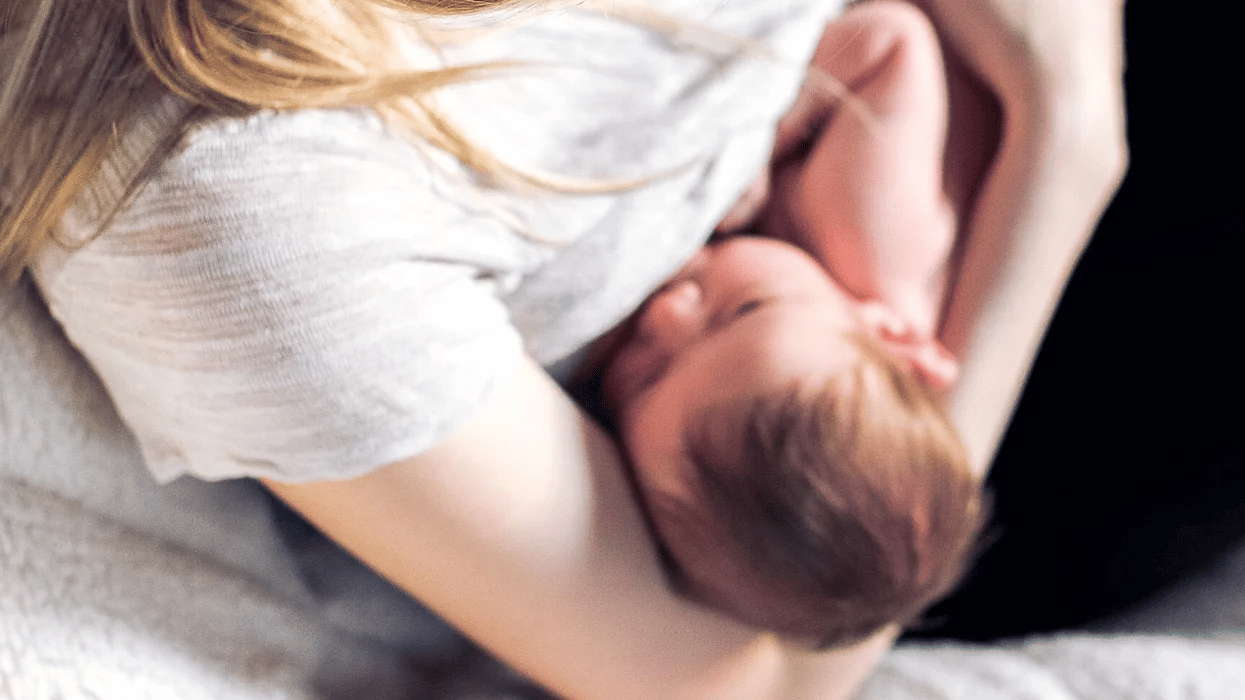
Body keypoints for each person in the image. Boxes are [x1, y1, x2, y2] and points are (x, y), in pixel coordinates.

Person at [0, 0, 1127, 699]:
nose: (675, 313)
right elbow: (745, 682)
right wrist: (1066, 135)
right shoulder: (236, 207)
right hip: (1050, 352)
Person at [577, 0, 985, 648]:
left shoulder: (805, 327)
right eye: (745, 310)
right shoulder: (872, 239)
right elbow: (894, 41)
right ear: (891, 334)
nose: (665, 312)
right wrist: (756, 148)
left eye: (645, 379)